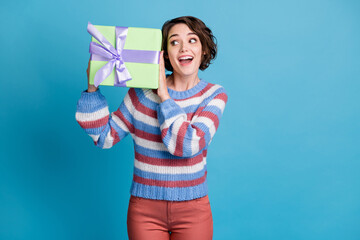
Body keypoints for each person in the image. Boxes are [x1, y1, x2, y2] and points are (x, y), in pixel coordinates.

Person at [76, 16, 228, 240]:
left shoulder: (214, 95)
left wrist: (164, 96)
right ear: (165, 54)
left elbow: (187, 144)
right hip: (145, 211)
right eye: (174, 42)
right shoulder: (141, 94)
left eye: (192, 40)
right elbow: (104, 137)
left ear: (204, 49)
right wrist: (92, 88)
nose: (184, 47)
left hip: (193, 211)